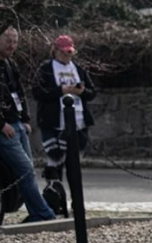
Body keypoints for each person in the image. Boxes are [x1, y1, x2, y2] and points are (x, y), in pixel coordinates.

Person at [0, 26, 55, 223]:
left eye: (15, 41)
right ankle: (44, 213)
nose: (12, 45)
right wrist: (0, 125)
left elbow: (19, 93)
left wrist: (24, 118)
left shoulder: (10, 64)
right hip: (1, 130)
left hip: (17, 124)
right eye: (8, 40)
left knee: (27, 171)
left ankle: (37, 212)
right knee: (25, 169)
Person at [32, 35, 96, 212]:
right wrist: (60, 90)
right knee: (54, 162)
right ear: (55, 51)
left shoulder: (79, 69)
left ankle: (77, 203)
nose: (68, 56)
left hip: (77, 123)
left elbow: (92, 92)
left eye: (70, 53)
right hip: (54, 123)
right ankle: (55, 202)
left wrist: (81, 92)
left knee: (74, 166)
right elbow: (37, 92)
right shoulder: (45, 69)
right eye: (64, 53)